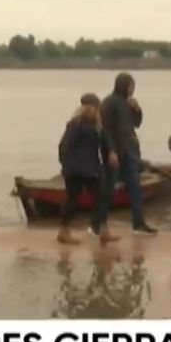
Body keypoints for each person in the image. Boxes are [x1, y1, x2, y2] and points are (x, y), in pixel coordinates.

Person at [97, 72, 157, 236]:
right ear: (124, 85)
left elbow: (136, 124)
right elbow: (105, 130)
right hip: (115, 153)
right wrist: (110, 151)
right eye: (131, 86)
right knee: (108, 191)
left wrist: (137, 110)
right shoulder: (109, 103)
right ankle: (98, 224)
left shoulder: (127, 104)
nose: (133, 89)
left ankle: (138, 224)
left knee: (135, 189)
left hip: (130, 153)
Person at [56, 93, 108, 244]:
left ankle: (102, 229)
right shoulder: (75, 124)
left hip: (91, 168)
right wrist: (66, 165)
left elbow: (98, 145)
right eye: (95, 108)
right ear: (87, 108)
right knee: (72, 200)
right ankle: (64, 231)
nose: (97, 112)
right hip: (76, 169)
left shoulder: (95, 125)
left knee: (101, 197)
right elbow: (64, 145)